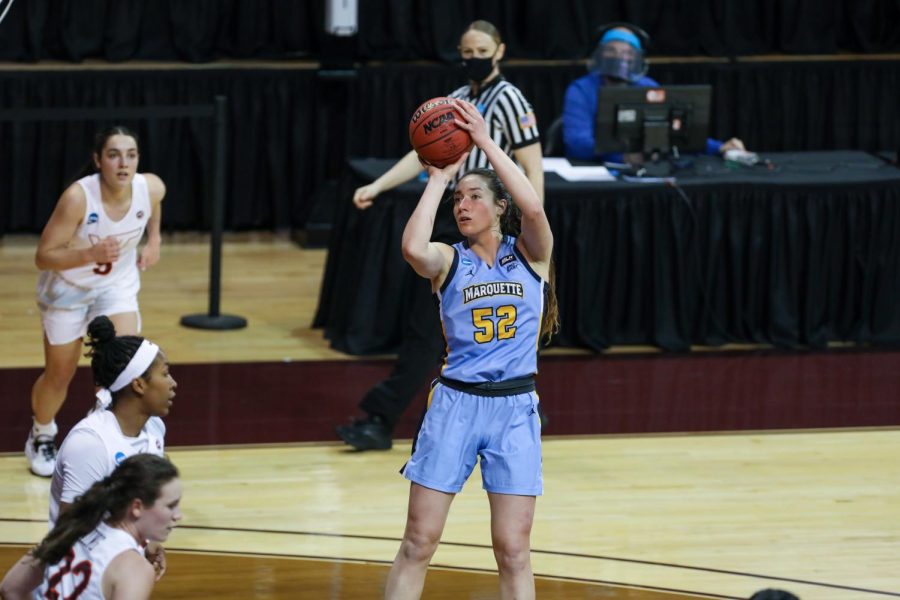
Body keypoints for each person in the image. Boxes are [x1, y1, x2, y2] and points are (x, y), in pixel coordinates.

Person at [337, 19, 544, 451]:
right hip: (458, 218)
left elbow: (533, 166)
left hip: (499, 224)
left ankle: (516, 407)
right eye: (466, 51)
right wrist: (378, 186)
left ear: (500, 50)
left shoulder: (510, 100)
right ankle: (385, 415)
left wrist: (531, 223)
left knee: (503, 326)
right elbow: (422, 155)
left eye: (481, 50)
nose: (473, 58)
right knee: (429, 326)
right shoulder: (455, 101)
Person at [384, 98, 557, 600]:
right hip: (456, 405)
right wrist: (438, 177)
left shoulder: (531, 255)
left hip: (515, 408)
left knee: (513, 549)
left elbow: (535, 207)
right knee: (419, 540)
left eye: (474, 196)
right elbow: (413, 248)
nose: (462, 205)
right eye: (458, 199)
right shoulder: (448, 260)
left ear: (500, 207)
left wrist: (483, 143)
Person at [26, 125, 166, 477]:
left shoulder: (150, 186)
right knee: (60, 374)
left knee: (122, 367)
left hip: (116, 286)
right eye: (114, 154)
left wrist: (154, 241)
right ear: (97, 160)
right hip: (68, 288)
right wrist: (91, 253)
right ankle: (42, 433)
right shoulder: (78, 197)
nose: (124, 163)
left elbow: (155, 205)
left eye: (131, 155)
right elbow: (44, 257)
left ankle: (107, 441)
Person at [48, 315, 176, 576]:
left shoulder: (154, 429)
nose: (174, 383)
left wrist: (146, 543)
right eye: (165, 374)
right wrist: (124, 561)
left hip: (116, 566)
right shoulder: (91, 443)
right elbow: (70, 530)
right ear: (138, 384)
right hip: (79, 576)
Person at [0, 453, 182, 600]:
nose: (178, 515)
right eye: (170, 506)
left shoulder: (73, 528)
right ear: (136, 507)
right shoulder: (135, 569)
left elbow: (10, 589)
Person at [562, 23, 746, 163]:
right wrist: (622, 156)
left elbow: (676, 133)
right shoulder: (580, 90)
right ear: (600, 54)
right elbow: (577, 143)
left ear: (636, 57)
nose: (619, 57)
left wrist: (719, 147)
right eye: (611, 50)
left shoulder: (648, 88)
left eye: (627, 52)